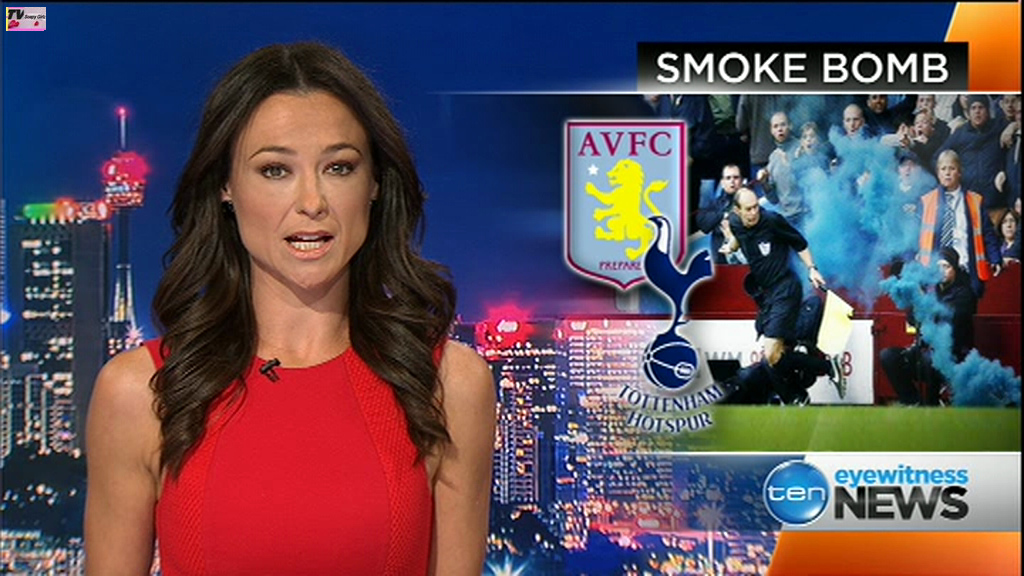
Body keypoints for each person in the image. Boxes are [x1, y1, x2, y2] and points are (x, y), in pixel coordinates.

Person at [84, 42, 496, 575]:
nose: (312, 202)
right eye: (275, 170)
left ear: (374, 184)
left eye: (339, 167)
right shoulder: (139, 393)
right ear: (226, 187)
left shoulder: (448, 385)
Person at [719, 187, 846, 404]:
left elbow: (800, 243)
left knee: (770, 353)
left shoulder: (772, 221)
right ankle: (807, 387)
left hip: (786, 288)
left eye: (756, 207)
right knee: (775, 357)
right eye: (748, 209)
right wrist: (730, 245)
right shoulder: (735, 222)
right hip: (768, 294)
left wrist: (812, 269)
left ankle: (808, 385)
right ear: (738, 211)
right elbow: (739, 238)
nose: (754, 212)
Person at [880, 247, 978, 405]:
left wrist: (922, 299)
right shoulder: (929, 289)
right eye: (938, 266)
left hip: (953, 356)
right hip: (925, 352)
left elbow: (947, 316)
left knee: (929, 359)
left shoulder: (965, 293)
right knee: (889, 356)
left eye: (946, 266)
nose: (942, 271)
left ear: (955, 268)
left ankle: (932, 405)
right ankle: (913, 402)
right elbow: (912, 320)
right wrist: (914, 298)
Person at [917, 150, 1001, 299]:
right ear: (938, 173)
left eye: (952, 168)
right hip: (936, 272)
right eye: (943, 169)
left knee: (964, 310)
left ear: (960, 172)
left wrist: (995, 258)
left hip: (966, 271)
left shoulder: (975, 200)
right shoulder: (926, 201)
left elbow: (987, 233)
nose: (947, 173)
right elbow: (915, 235)